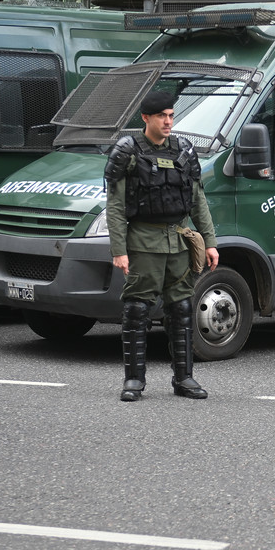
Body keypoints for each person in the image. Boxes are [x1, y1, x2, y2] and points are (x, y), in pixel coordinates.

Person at [106, 91, 218, 401]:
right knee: (137, 309)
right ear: (146, 118)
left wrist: (210, 242)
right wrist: (119, 250)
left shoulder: (184, 150)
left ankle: (184, 379)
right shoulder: (127, 151)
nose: (168, 121)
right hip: (143, 242)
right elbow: (115, 206)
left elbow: (198, 200)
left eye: (171, 115)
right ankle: (134, 380)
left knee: (181, 308)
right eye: (161, 116)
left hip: (179, 242)